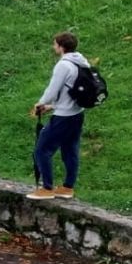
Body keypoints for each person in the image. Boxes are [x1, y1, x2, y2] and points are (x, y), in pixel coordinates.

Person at [30, 31, 91, 200]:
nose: (53, 46)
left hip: (63, 117)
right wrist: (52, 106)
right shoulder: (81, 62)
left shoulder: (63, 65)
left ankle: (47, 188)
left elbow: (53, 89)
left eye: (55, 44)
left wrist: (41, 103)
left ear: (61, 47)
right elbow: (70, 91)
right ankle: (67, 188)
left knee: (42, 150)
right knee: (70, 151)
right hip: (77, 114)